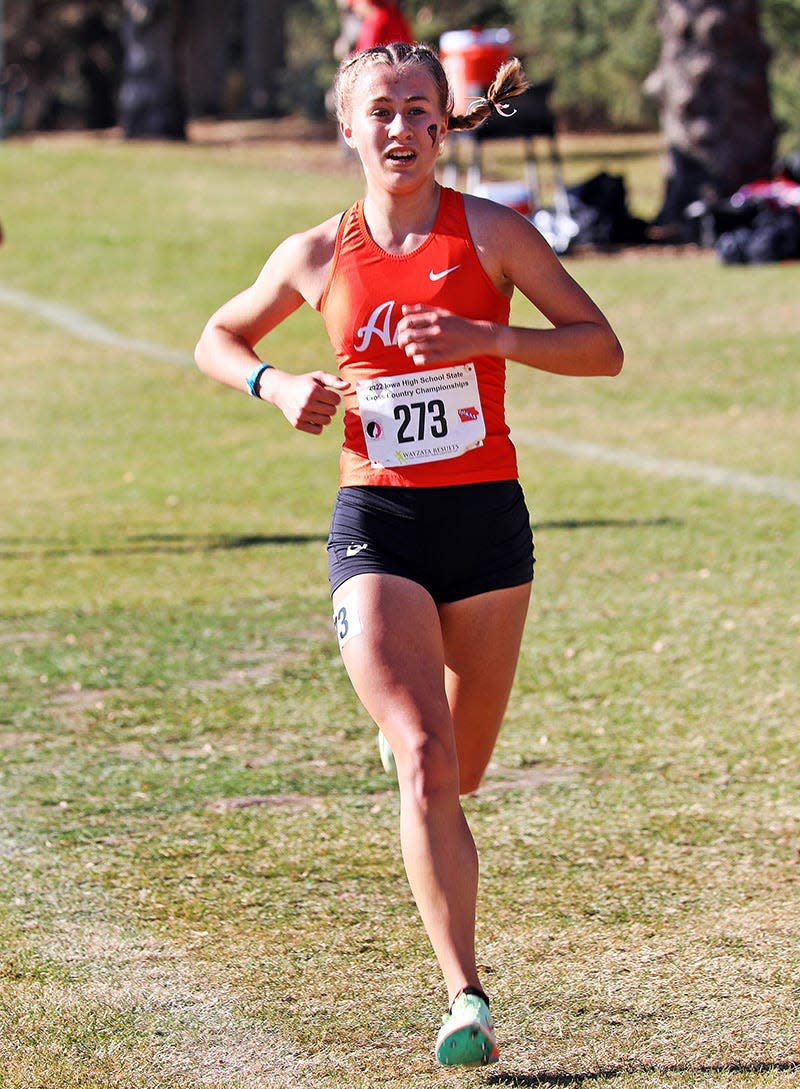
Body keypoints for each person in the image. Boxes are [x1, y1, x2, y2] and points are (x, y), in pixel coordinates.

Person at [195, 41, 623, 1067]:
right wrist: (272, 386)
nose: (399, 128)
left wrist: (491, 340)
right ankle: (463, 994)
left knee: (456, 770)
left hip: (485, 526)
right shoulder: (316, 252)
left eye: (418, 110)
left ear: (443, 125)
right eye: (379, 110)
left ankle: (414, 741)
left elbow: (599, 347)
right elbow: (218, 335)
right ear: (348, 127)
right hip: (376, 525)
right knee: (426, 760)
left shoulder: (493, 234)